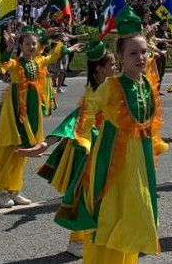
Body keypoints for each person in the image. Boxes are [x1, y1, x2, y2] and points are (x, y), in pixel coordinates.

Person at [52, 6, 168, 263]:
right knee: (112, 216)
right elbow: (86, 110)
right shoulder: (112, 86)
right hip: (112, 164)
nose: (140, 57)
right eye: (133, 53)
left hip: (139, 163)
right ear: (120, 57)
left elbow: (149, 124)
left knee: (135, 215)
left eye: (144, 52)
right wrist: (78, 140)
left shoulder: (146, 84)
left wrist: (156, 145)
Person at [27, 40, 116, 258]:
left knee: (99, 195)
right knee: (83, 194)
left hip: (105, 146)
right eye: (112, 64)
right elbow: (74, 120)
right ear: (99, 68)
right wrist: (46, 143)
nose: (115, 68)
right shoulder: (92, 94)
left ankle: (95, 235)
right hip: (88, 149)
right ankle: (76, 241)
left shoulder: (109, 87)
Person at [0, 29, 80, 208]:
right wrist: (8, 48)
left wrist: (69, 49)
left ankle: (14, 189)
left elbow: (53, 56)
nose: (32, 47)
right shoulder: (16, 63)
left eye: (34, 44)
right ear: (20, 46)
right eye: (28, 44)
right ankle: (0, 192)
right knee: (7, 150)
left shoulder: (39, 61)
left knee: (23, 150)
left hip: (32, 112)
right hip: (15, 111)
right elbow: (4, 62)